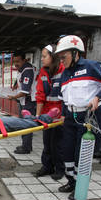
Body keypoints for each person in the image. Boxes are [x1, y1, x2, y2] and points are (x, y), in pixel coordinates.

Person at [55, 35, 101, 200]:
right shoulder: (64, 74)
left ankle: (80, 186)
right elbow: (63, 98)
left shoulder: (92, 66)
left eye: (64, 57)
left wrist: (98, 97)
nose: (62, 61)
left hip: (88, 117)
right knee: (67, 152)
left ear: (76, 53)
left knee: (81, 154)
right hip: (70, 116)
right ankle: (71, 181)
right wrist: (62, 115)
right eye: (60, 58)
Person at [34, 44, 65, 180]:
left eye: (44, 56)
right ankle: (47, 167)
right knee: (47, 142)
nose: (42, 59)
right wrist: (38, 116)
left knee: (57, 143)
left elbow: (66, 96)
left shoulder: (64, 71)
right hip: (47, 114)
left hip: (60, 114)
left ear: (53, 57)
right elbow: (40, 94)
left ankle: (60, 168)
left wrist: (63, 115)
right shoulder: (43, 72)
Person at [8, 51, 37, 154]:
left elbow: (25, 92)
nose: (16, 64)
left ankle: (26, 147)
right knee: (23, 123)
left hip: (29, 102)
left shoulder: (27, 70)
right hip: (24, 101)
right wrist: (16, 84)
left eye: (18, 61)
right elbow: (20, 81)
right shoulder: (22, 69)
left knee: (27, 123)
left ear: (24, 60)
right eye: (14, 61)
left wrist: (13, 97)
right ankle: (25, 144)